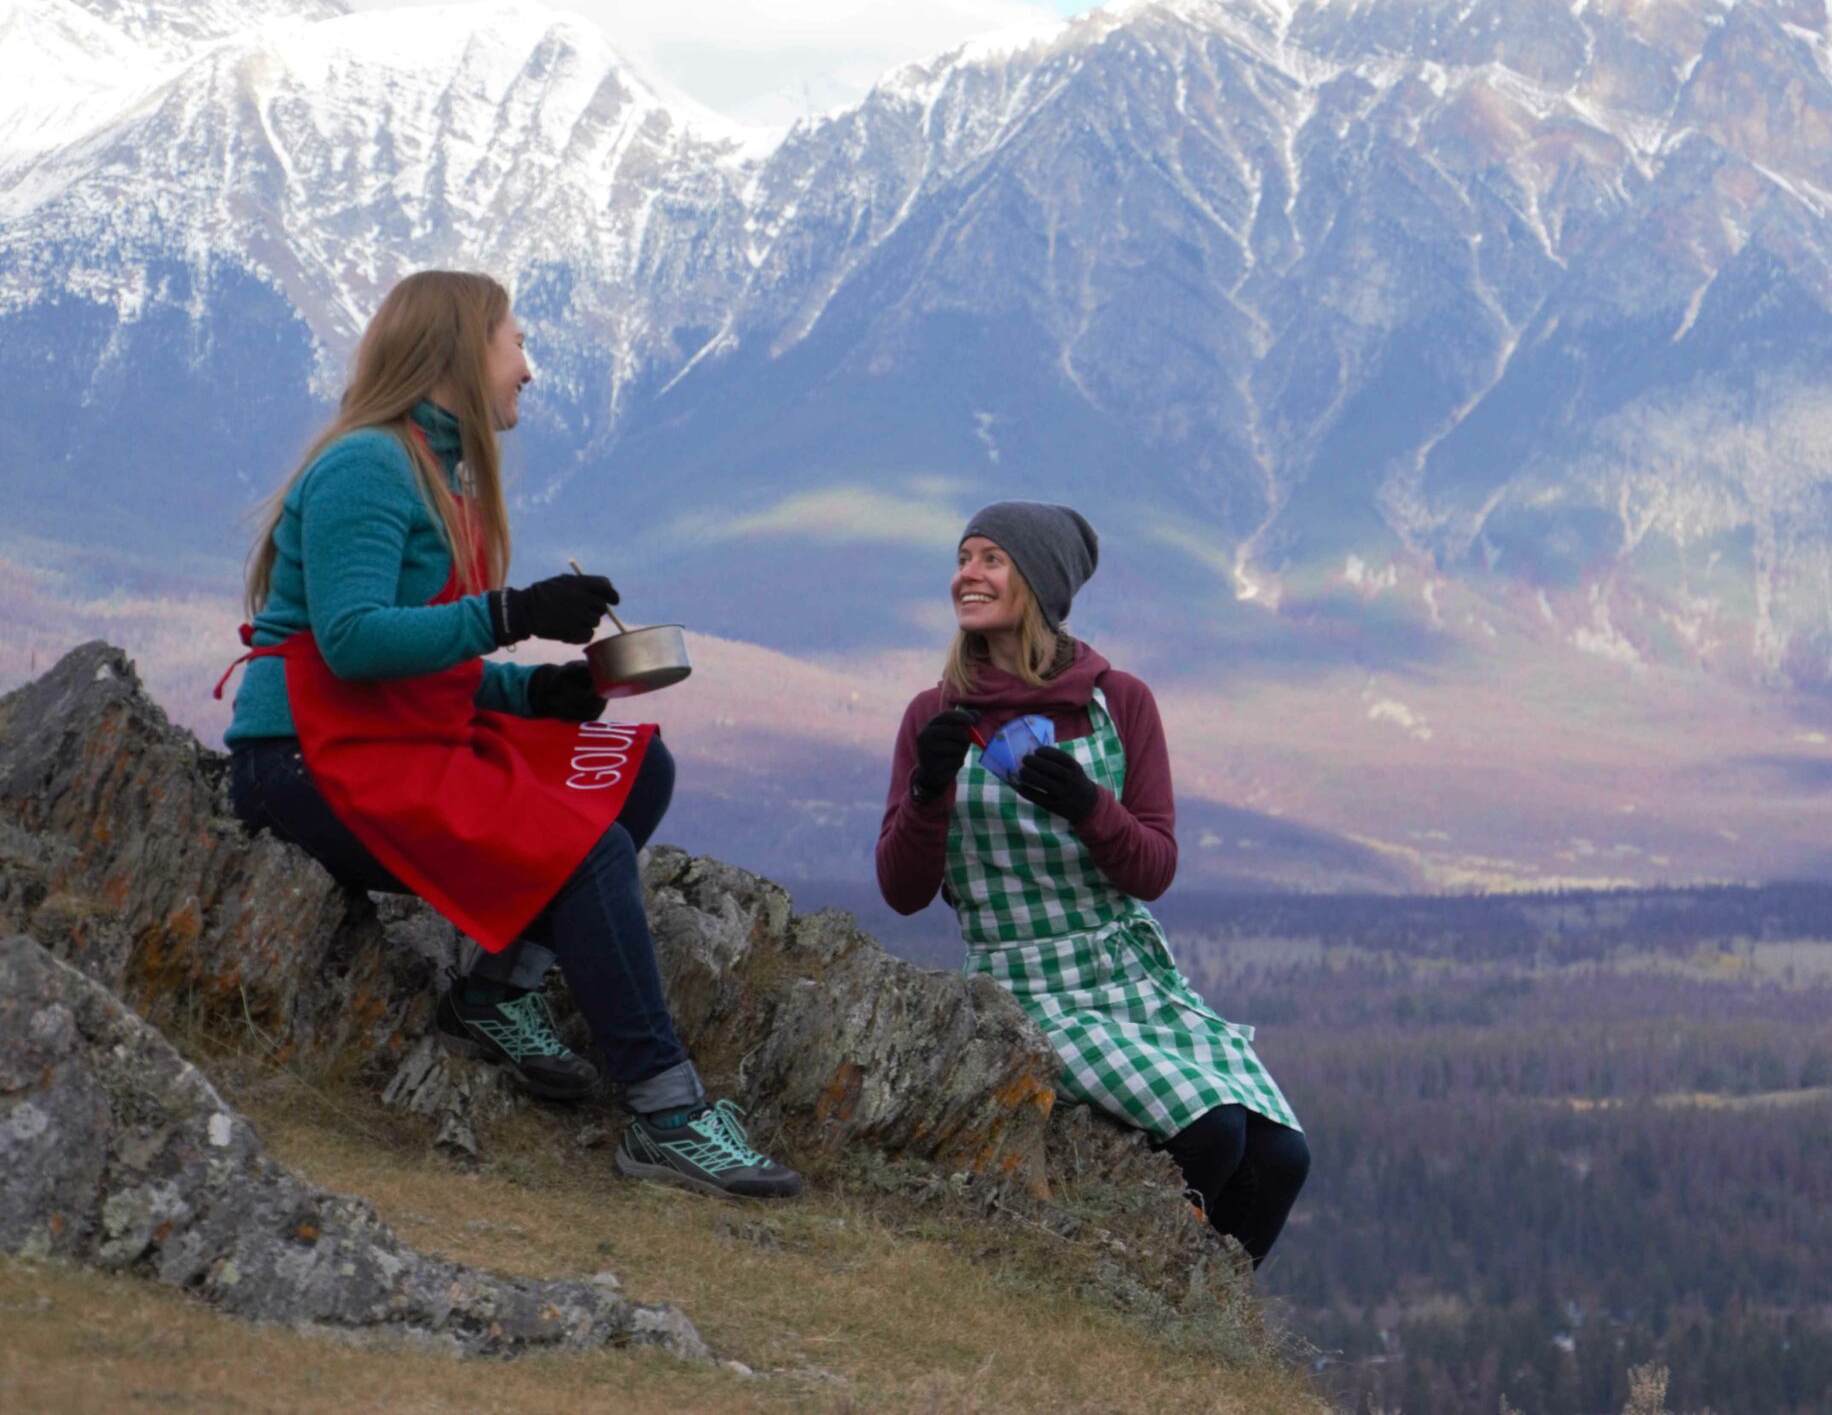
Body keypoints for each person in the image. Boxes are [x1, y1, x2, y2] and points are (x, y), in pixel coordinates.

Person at [220, 268, 801, 1200]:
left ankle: (493, 995)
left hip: (391, 735)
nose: (527, 367)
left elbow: (413, 664)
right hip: (304, 763)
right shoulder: (368, 464)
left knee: (632, 767)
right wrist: (512, 611)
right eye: (515, 341)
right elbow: (353, 640)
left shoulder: (440, 470)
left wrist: (537, 692)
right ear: (460, 349)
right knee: (588, 850)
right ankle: (667, 1114)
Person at [875, 502, 1308, 1264]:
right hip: (1022, 982)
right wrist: (927, 789)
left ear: (1037, 583)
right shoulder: (933, 714)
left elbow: (1154, 867)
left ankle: (1204, 1327)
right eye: (963, 557)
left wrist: (1086, 805)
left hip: (1132, 973)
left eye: (990, 559)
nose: (965, 574)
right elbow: (902, 890)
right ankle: (1120, 1298)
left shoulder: (1121, 702)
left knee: (1281, 1156)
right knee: (1213, 1129)